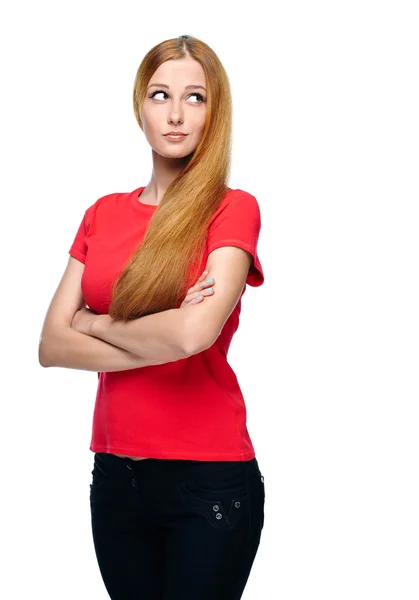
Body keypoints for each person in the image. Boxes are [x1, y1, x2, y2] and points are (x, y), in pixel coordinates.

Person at [38, 34, 266, 600]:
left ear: (216, 113)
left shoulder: (231, 208)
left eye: (196, 98)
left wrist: (94, 322)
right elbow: (50, 345)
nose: (176, 113)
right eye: (161, 94)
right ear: (140, 103)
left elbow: (193, 333)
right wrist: (155, 335)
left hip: (206, 478)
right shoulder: (102, 213)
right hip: (116, 475)